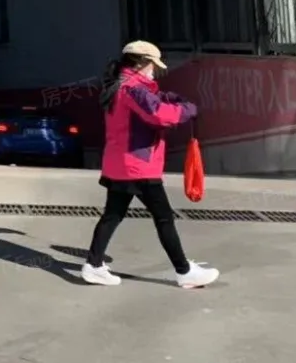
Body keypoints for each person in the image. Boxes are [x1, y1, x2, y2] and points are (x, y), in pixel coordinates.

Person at [80, 40, 220, 289]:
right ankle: (184, 271)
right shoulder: (133, 88)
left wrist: (168, 98)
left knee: (112, 216)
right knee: (164, 218)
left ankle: (94, 265)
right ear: (142, 64)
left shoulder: (118, 85)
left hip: (120, 165)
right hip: (139, 166)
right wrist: (187, 110)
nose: (154, 71)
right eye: (152, 66)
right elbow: (159, 114)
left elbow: (150, 104)